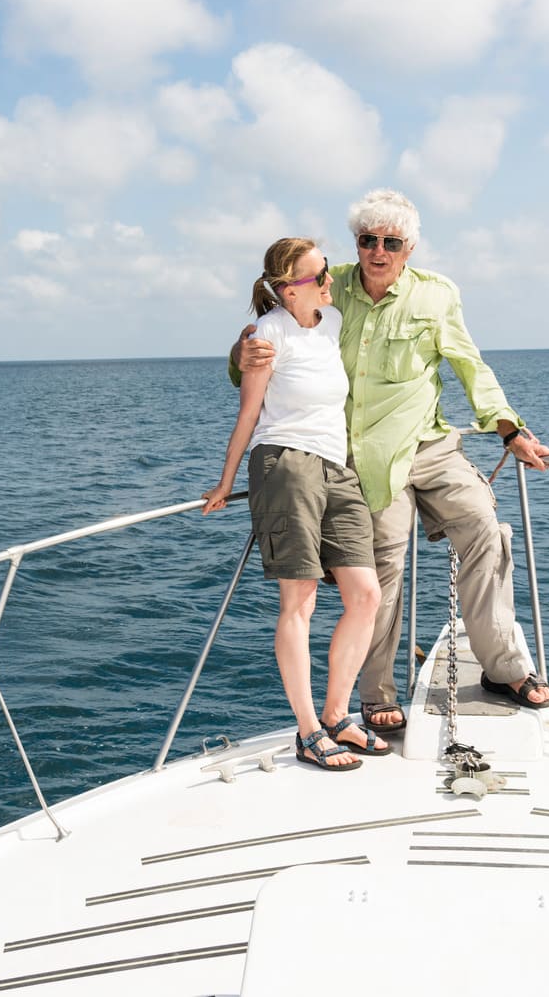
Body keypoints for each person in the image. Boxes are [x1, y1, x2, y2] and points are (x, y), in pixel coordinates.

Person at [232, 190, 549, 732]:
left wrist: (509, 429)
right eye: (367, 240)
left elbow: (469, 366)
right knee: (381, 564)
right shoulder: (327, 286)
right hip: (367, 458)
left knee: (485, 526)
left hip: (430, 446)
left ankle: (503, 667)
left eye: (391, 242)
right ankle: (375, 692)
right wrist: (239, 353)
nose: (378, 251)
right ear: (356, 243)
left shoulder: (436, 295)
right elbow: (269, 336)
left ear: (409, 248)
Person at [203, 238, 387, 772]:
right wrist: (225, 481)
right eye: (319, 276)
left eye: (327, 271)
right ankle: (308, 731)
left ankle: (336, 716)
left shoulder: (329, 324)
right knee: (300, 600)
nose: (330, 281)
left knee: (365, 595)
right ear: (289, 289)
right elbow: (248, 413)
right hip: (285, 462)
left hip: (337, 466)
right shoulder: (268, 334)